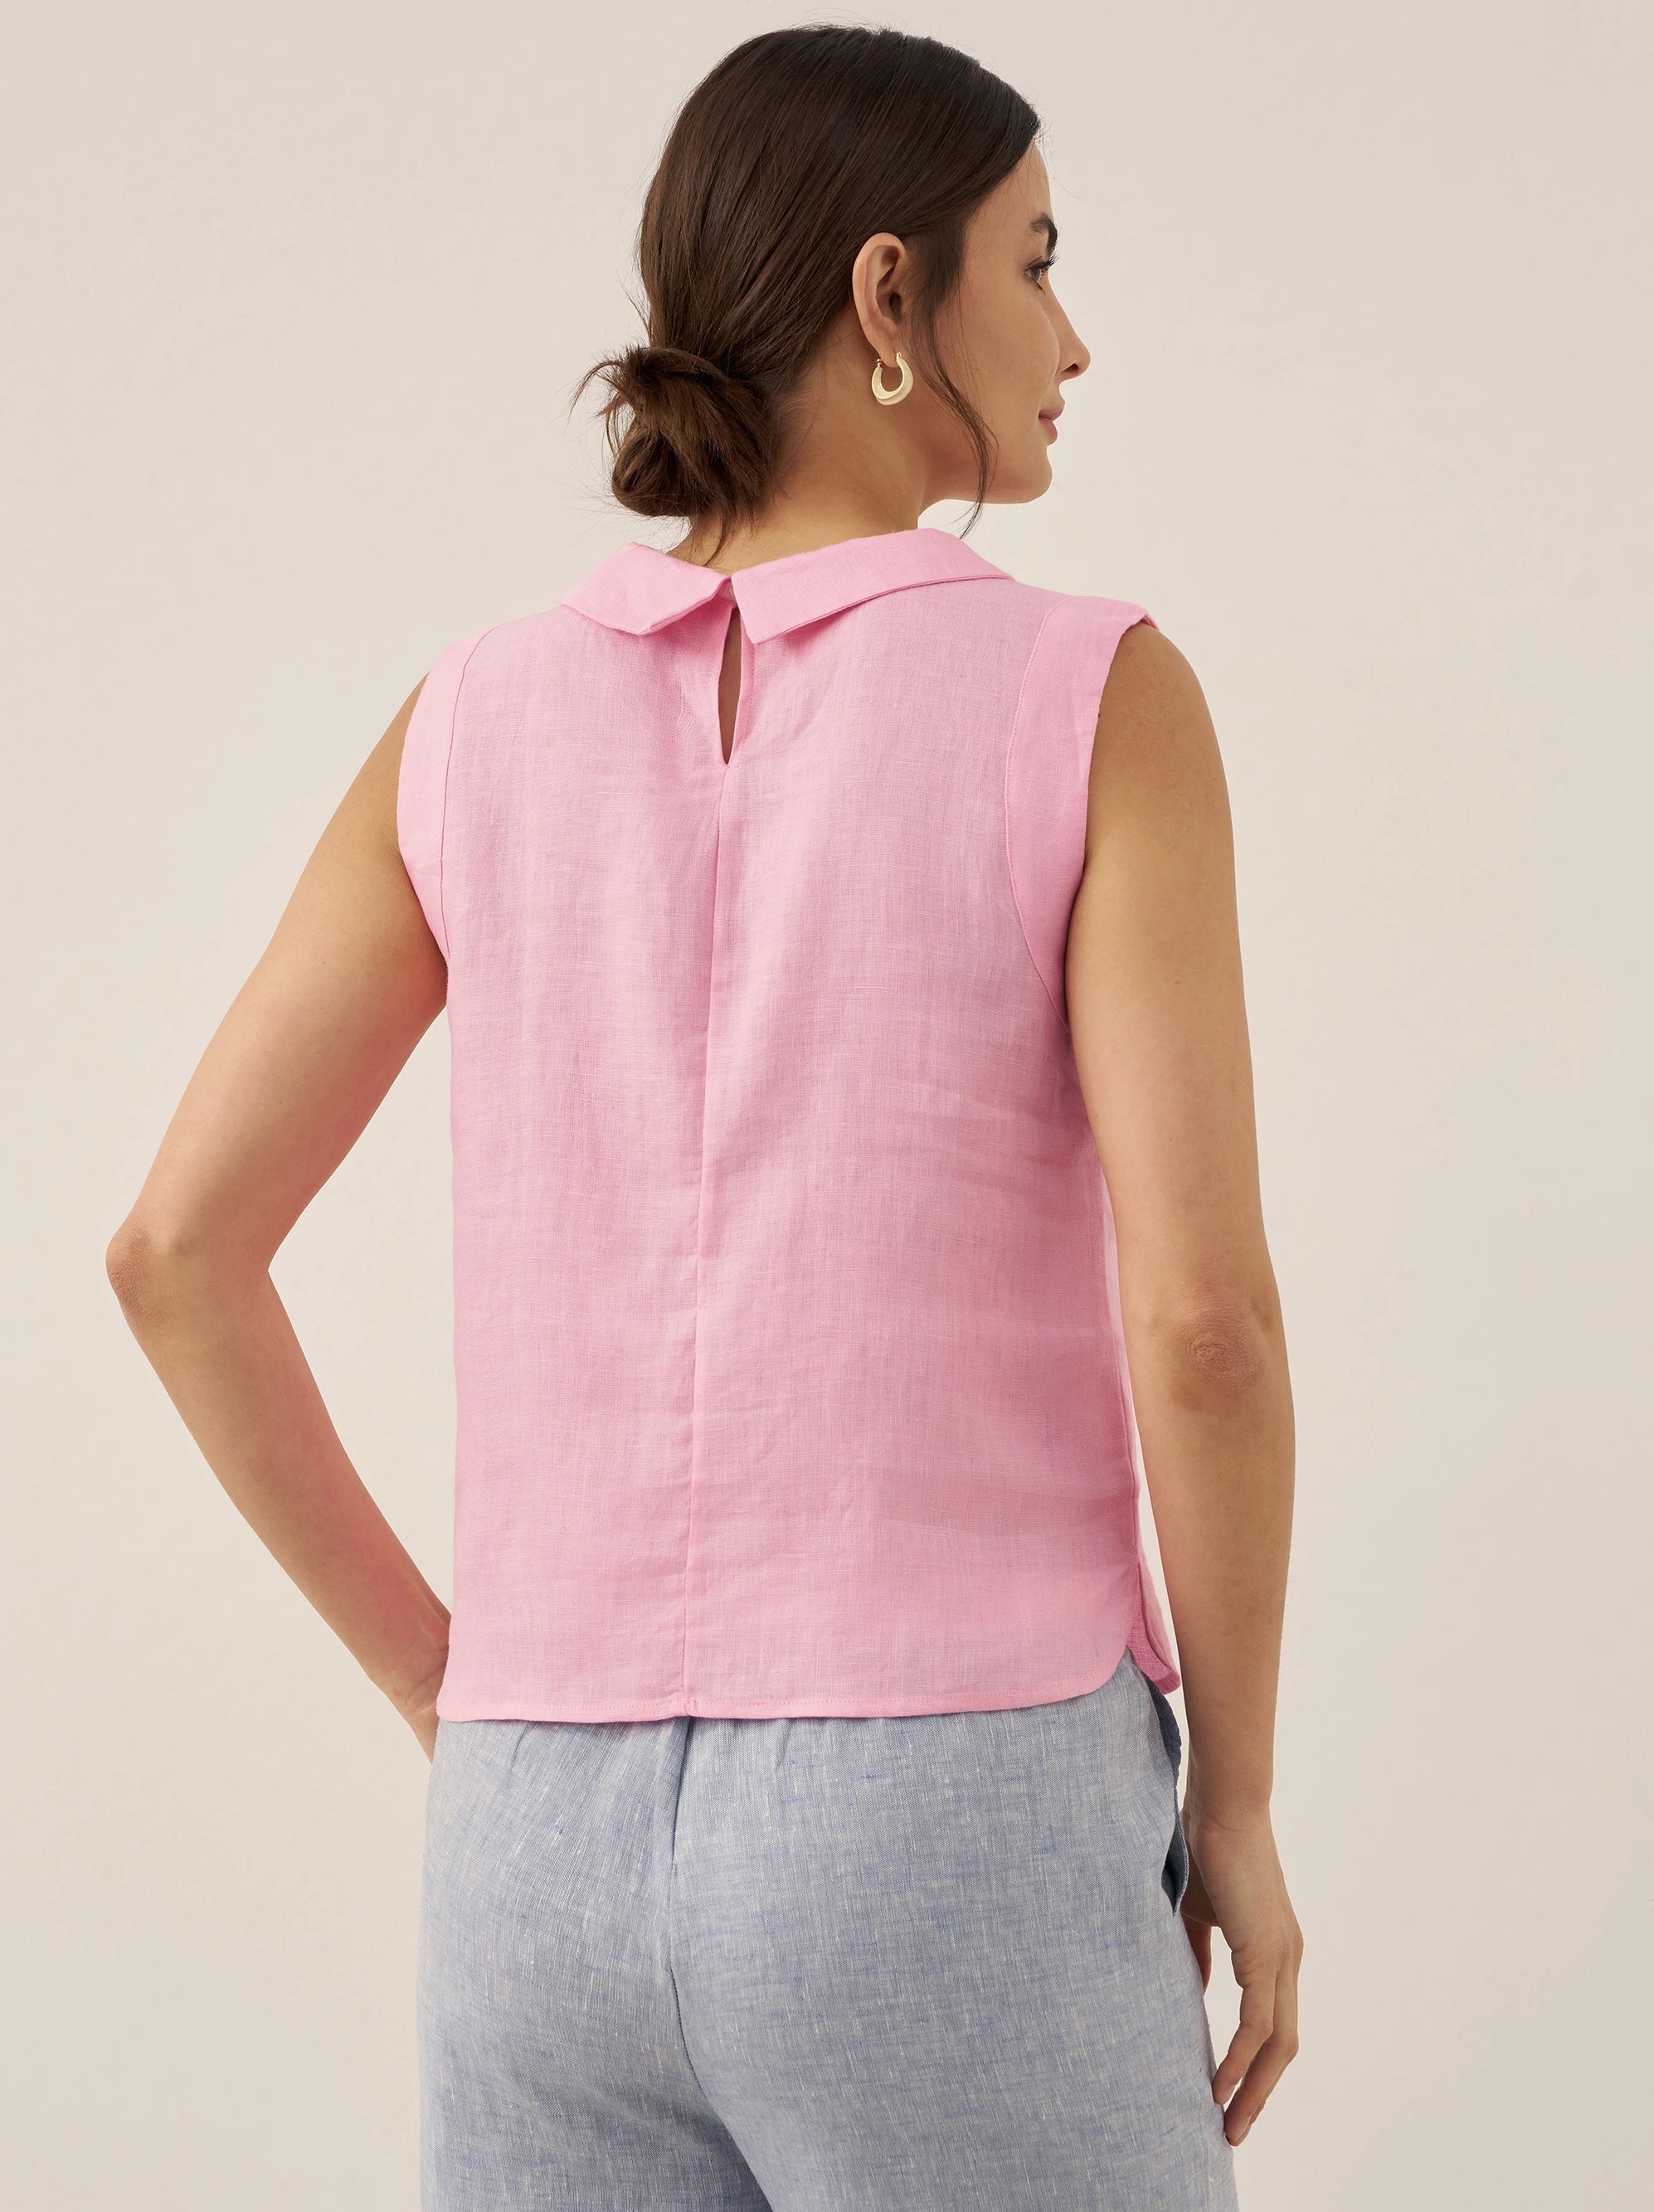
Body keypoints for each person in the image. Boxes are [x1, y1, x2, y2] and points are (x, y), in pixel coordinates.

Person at [107, 25, 1301, 2210]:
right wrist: (1231, 1798)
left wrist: (453, 1689)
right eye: (1038, 261)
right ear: (886, 297)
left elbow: (177, 1250)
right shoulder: (1091, 692)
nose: (1075, 338)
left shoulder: (469, 717)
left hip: (529, 1855)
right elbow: (1204, 1322)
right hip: (955, 1815)